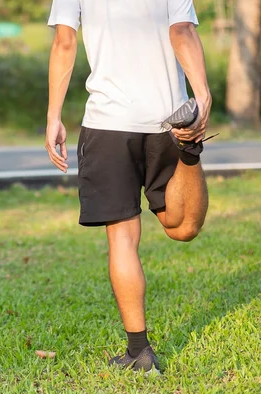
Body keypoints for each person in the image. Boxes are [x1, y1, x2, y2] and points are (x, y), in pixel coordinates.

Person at [45, 0, 212, 373]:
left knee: (123, 238)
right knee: (182, 227)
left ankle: (140, 353)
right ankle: (189, 153)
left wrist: (54, 115)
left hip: (108, 123)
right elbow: (182, 31)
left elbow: (65, 43)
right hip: (168, 117)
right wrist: (201, 95)